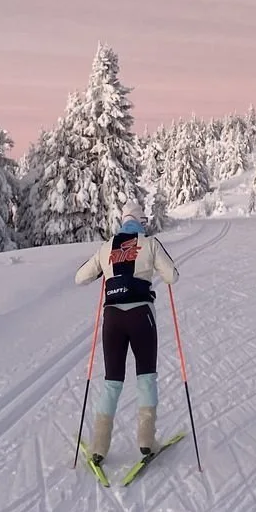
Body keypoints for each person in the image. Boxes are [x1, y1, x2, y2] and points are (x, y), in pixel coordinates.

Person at [75, 199, 179, 464]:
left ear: (121, 222)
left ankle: (99, 446)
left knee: (112, 381)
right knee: (146, 377)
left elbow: (80, 278)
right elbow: (172, 276)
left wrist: (105, 272)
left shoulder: (106, 247)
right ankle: (146, 441)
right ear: (141, 222)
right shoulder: (150, 243)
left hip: (113, 319)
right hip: (141, 316)